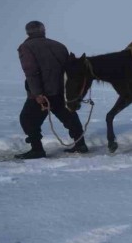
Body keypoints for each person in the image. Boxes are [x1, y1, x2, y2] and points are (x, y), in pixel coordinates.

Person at [15, 21, 88, 159]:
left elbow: (31, 72)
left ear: (28, 32)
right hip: (60, 91)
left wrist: (37, 94)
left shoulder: (26, 47)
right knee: (69, 117)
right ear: (43, 31)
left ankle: (37, 150)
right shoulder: (59, 45)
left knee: (27, 119)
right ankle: (80, 144)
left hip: (43, 94)